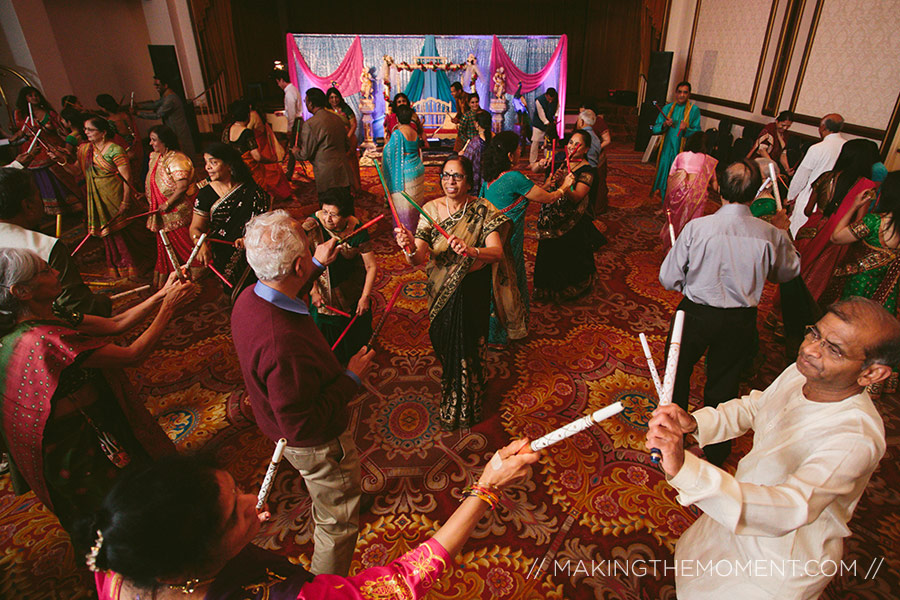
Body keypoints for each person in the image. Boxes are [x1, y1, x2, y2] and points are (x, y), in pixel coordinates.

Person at [647, 297, 897, 598]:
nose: (809, 349)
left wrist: (685, 469)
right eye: (814, 333)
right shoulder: (804, 370)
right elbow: (758, 406)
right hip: (735, 504)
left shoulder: (856, 438)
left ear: (872, 374)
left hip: (780, 557)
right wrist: (695, 424)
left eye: (833, 349)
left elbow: (790, 508)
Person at [83, 437, 538, 599]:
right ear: (193, 565)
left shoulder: (119, 560)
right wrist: (486, 488)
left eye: (238, 489)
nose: (252, 502)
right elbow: (399, 583)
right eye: (236, 515)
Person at [0, 248, 193, 535]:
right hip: (74, 440)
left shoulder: (52, 313)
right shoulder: (42, 340)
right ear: (22, 291)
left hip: (95, 417)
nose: (56, 273)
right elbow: (131, 355)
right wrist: (169, 309)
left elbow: (114, 325)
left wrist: (163, 293)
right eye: (44, 271)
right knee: (113, 509)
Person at [231, 209, 373, 575]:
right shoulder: (283, 343)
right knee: (336, 524)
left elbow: (287, 280)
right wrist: (351, 379)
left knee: (328, 503)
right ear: (296, 267)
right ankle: (326, 591)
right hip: (317, 443)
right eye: (307, 248)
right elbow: (301, 424)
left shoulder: (248, 297)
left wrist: (314, 263)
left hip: (275, 424)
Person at [659, 161, 800, 466]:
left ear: (718, 188)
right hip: (740, 319)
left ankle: (670, 436)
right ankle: (716, 451)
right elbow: (787, 273)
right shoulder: (769, 234)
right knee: (724, 383)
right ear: (754, 193)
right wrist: (782, 233)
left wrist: (687, 279)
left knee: (676, 375)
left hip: (694, 314)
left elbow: (668, 278)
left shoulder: (698, 228)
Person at [394, 157, 523, 430]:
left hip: (471, 289)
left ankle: (466, 402)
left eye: (457, 176)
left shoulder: (482, 208)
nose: (450, 181)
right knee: (446, 345)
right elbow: (418, 258)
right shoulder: (430, 209)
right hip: (440, 291)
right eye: (445, 175)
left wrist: (471, 250)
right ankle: (457, 388)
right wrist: (407, 247)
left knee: (469, 347)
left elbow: (497, 252)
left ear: (468, 181)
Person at [481, 131, 573, 344]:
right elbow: (548, 199)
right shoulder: (514, 178)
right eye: (518, 149)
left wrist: (549, 182)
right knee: (509, 279)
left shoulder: (492, 175)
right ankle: (505, 331)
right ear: (511, 155)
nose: (521, 151)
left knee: (497, 279)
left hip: (492, 236)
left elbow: (531, 193)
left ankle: (493, 330)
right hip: (508, 238)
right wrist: (564, 186)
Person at [0, 167, 110, 316]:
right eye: (40, 195)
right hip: (37, 328)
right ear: (28, 205)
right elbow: (77, 307)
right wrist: (103, 303)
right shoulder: (45, 246)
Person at [794, 138, 880, 303]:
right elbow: (858, 223)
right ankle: (797, 319)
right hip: (835, 240)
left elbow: (807, 210)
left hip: (809, 231)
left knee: (797, 273)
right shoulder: (866, 186)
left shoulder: (825, 176)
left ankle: (775, 317)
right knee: (815, 281)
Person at [70, 117, 155, 278]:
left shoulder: (115, 150)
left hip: (116, 196)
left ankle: (142, 261)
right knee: (110, 233)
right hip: (98, 199)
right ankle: (120, 265)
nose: (86, 132)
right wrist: (61, 162)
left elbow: (127, 178)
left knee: (131, 231)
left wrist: (125, 201)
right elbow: (75, 171)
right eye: (85, 129)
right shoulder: (85, 150)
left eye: (90, 129)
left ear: (102, 133)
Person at [304, 188, 378, 364]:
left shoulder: (357, 230)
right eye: (325, 212)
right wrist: (313, 291)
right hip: (320, 284)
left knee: (354, 326)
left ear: (345, 216)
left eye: (334, 215)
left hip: (349, 284)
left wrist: (365, 297)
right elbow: (305, 260)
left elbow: (371, 266)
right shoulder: (312, 225)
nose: (327, 219)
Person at [190, 143, 270, 296]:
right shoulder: (205, 194)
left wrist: (249, 238)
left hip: (254, 249)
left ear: (228, 164)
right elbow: (195, 228)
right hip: (224, 253)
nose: (207, 167)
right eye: (206, 162)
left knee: (260, 290)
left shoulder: (250, 189)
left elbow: (265, 221)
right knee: (235, 292)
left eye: (213, 162)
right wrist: (199, 244)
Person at [533, 130, 599, 303]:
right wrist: (542, 168)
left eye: (577, 144)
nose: (572, 147)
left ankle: (565, 289)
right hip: (550, 214)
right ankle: (545, 288)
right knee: (548, 251)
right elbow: (540, 176)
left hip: (570, 222)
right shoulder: (562, 159)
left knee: (565, 254)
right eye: (570, 142)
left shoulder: (588, 171)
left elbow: (577, 196)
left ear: (585, 149)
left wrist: (565, 186)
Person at [829, 171, 900, 313]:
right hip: (886, 291)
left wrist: (855, 206)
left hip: (859, 285)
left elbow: (836, 237)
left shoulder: (874, 222)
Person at [12, 86, 83, 217]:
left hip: (50, 147)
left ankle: (74, 205)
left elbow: (61, 130)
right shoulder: (20, 114)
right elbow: (20, 132)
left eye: (36, 95)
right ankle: (54, 210)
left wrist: (47, 128)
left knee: (63, 174)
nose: (34, 98)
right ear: (25, 98)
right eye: (30, 95)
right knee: (43, 180)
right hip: (33, 150)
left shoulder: (49, 112)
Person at [145, 125, 197, 288]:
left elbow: (182, 187)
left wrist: (167, 203)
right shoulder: (156, 157)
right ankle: (173, 273)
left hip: (176, 210)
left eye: (154, 140)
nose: (151, 143)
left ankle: (195, 269)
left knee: (183, 242)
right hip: (161, 211)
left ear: (164, 141)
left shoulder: (177, 159)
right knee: (166, 242)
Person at [787, 113, 846, 237]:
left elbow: (801, 176)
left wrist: (790, 196)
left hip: (809, 199)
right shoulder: (846, 147)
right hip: (832, 202)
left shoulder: (818, 148)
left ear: (823, 127)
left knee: (795, 236)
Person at [223, 100, 291, 203]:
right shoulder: (246, 132)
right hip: (247, 169)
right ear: (247, 115)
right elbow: (257, 157)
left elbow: (224, 150)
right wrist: (270, 160)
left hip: (231, 168)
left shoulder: (226, 130)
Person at [661, 131, 719, 251]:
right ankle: (686, 249)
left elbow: (671, 177)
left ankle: (671, 246)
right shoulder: (708, 161)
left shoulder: (681, 156)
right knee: (692, 224)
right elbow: (714, 184)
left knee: (675, 220)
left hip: (679, 194)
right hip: (697, 198)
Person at [293, 88, 351, 195]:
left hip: (326, 173)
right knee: (345, 204)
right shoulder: (337, 119)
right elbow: (347, 145)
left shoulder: (310, 124)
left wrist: (296, 152)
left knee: (329, 207)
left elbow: (305, 154)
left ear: (311, 104)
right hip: (343, 169)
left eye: (306, 101)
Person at [650, 81, 701, 199]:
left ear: (689, 95)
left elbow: (698, 132)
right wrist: (664, 124)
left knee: (678, 177)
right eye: (679, 92)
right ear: (675, 93)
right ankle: (663, 202)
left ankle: (674, 203)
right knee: (664, 175)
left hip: (682, 151)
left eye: (685, 92)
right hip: (666, 149)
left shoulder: (693, 110)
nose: (682, 95)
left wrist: (686, 129)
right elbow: (655, 128)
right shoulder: (668, 108)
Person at [382, 104, 425, 233]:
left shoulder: (397, 133)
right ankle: (416, 230)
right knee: (415, 202)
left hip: (405, 172)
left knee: (404, 204)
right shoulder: (414, 131)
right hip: (417, 167)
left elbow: (388, 152)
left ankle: (405, 233)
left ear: (397, 119)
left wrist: (385, 145)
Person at [135, 74, 196, 158]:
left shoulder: (170, 98)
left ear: (165, 85)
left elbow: (157, 115)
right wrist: (140, 106)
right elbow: (156, 104)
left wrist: (138, 113)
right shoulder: (167, 96)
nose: (156, 87)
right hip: (175, 129)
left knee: (183, 155)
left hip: (178, 130)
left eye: (157, 85)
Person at [325, 87, 362, 196]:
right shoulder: (327, 111)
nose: (334, 100)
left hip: (348, 140)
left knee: (350, 164)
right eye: (331, 97)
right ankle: (342, 189)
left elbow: (353, 124)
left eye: (336, 97)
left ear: (340, 98)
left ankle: (355, 188)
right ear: (328, 99)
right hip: (334, 141)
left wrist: (347, 138)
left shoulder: (346, 109)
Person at [96, 94, 143, 176]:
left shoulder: (110, 121)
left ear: (104, 108)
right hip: (135, 145)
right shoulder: (125, 115)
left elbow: (114, 138)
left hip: (124, 148)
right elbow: (132, 131)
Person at [271, 69, 303, 180]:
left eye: (278, 82)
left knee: (293, 148)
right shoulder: (293, 90)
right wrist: (283, 113)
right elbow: (291, 110)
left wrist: (289, 129)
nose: (278, 85)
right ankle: (289, 173)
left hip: (296, 123)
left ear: (281, 80)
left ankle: (289, 174)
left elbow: (293, 113)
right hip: (297, 121)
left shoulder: (289, 92)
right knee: (293, 148)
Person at [746, 109, 794, 176]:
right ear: (777, 121)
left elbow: (783, 154)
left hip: (770, 165)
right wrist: (773, 166)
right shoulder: (769, 129)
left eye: (788, 126)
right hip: (757, 164)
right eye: (783, 125)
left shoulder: (786, 134)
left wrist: (787, 169)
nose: (785, 128)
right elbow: (762, 150)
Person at [461, 110, 492, 193]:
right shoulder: (494, 139)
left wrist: (461, 156)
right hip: (491, 182)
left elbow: (465, 163)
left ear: (477, 124)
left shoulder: (475, 143)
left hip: (476, 184)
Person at [529, 88, 559, 166]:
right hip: (539, 123)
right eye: (549, 99)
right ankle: (532, 162)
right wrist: (548, 123)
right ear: (546, 95)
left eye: (552, 99)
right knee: (535, 142)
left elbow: (557, 108)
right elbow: (541, 114)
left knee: (549, 143)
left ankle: (548, 160)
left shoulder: (556, 98)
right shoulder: (539, 101)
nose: (551, 101)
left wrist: (556, 117)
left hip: (550, 123)